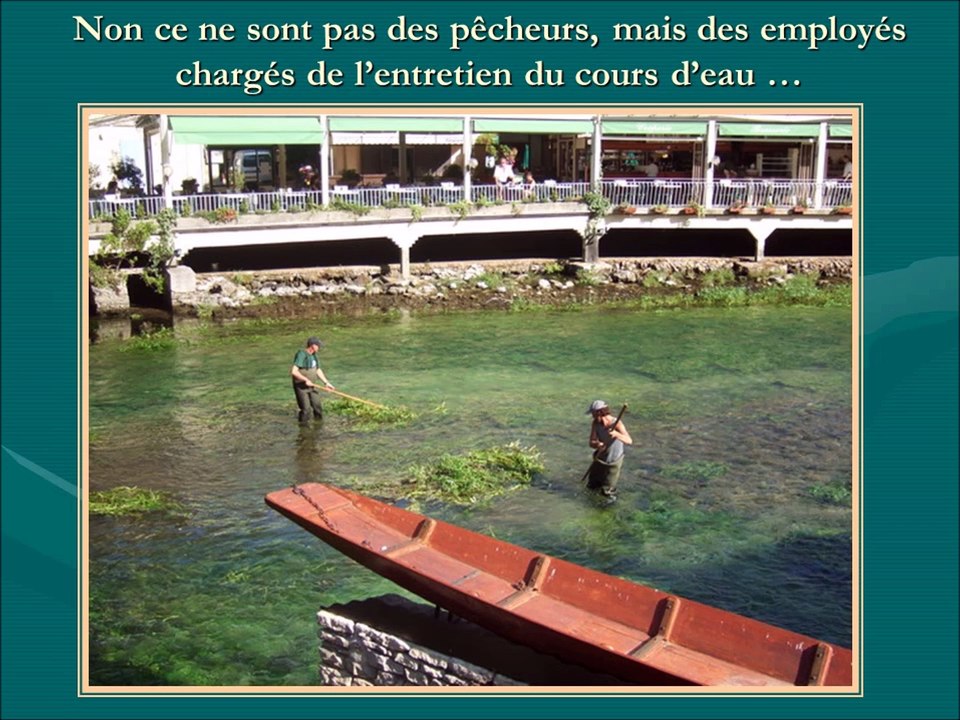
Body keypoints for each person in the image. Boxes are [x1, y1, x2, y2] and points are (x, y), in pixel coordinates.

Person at [585, 400, 633, 502]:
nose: (592, 416)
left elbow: (629, 441)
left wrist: (616, 434)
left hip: (613, 462)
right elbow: (591, 442)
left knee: (608, 491)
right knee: (592, 486)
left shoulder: (616, 423)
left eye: (593, 414)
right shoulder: (595, 424)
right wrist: (598, 444)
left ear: (599, 412)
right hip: (600, 459)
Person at [291, 336, 334, 423]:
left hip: (312, 386)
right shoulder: (301, 354)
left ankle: (318, 426)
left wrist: (326, 383)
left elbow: (318, 370)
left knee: (317, 407)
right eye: (318, 345)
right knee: (306, 410)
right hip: (301, 387)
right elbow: (294, 371)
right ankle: (303, 430)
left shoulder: (314, 356)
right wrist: (305, 380)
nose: (319, 347)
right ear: (313, 346)